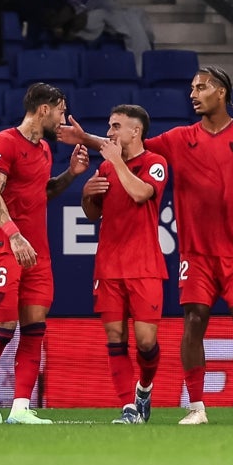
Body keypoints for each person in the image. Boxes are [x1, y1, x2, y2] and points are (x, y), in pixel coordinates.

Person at [59, 66, 233, 425]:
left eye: (201, 88)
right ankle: (197, 406)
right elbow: (130, 145)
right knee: (194, 319)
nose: (193, 94)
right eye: (191, 88)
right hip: (195, 252)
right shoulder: (178, 138)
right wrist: (87, 138)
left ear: (221, 93)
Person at [0, 84, 90, 424]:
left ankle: (21, 408)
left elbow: (43, 191)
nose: (63, 120)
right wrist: (14, 236)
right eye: (61, 112)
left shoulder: (44, 151)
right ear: (43, 110)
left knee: (34, 328)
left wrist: (70, 175)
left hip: (37, 253)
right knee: (4, 327)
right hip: (4, 249)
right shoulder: (4, 143)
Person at [79, 104, 168, 424]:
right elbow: (93, 213)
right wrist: (86, 195)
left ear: (136, 131)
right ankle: (128, 407)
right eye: (110, 125)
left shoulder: (155, 163)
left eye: (116, 126)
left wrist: (116, 162)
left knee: (146, 342)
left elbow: (142, 193)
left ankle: (143, 390)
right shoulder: (104, 169)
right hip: (108, 266)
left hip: (144, 266)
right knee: (115, 337)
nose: (111, 132)